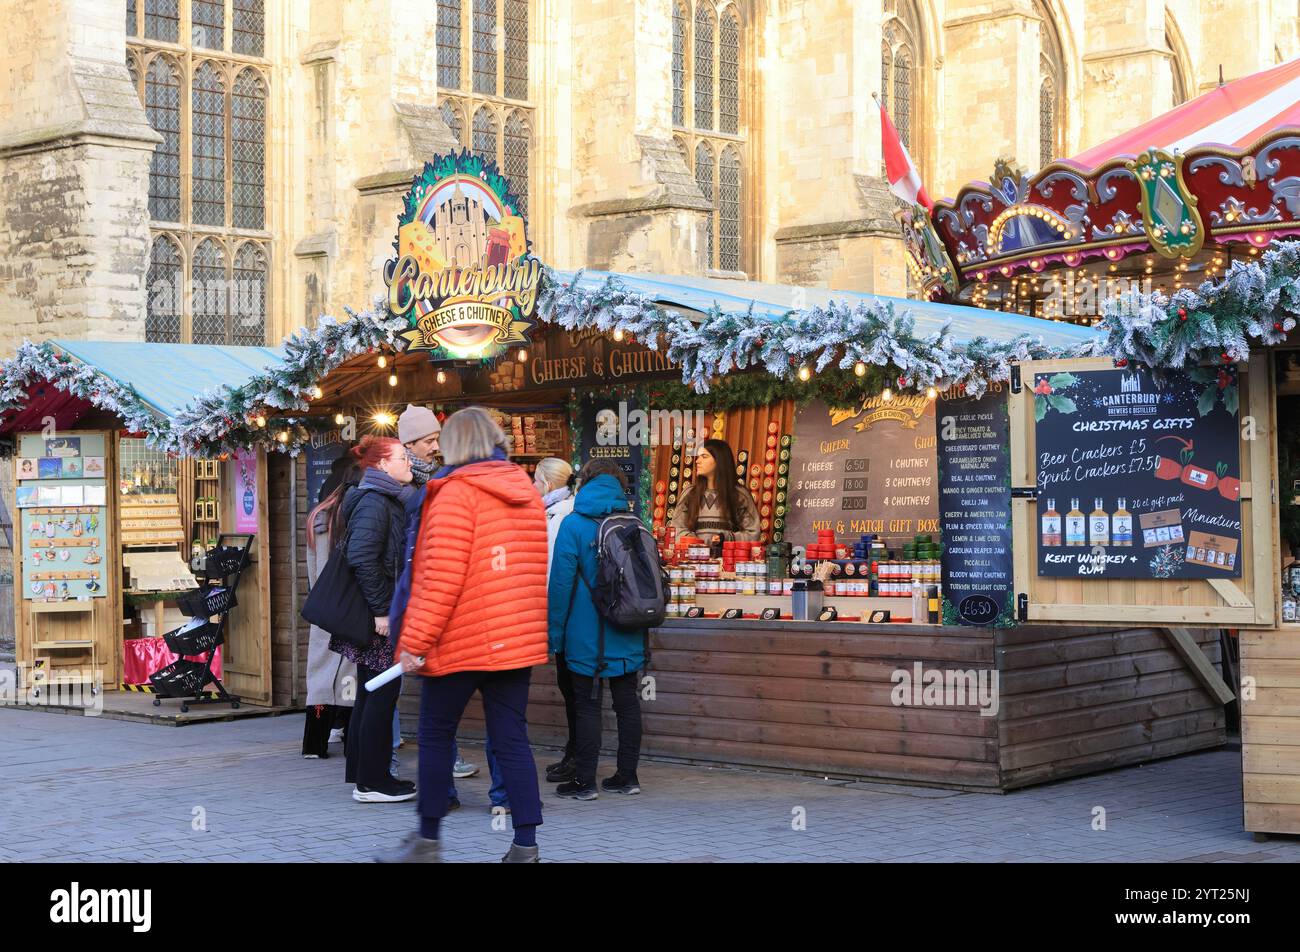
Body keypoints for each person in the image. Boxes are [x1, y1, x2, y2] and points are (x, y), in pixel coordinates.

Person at [379, 407, 549, 863]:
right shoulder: (526, 493)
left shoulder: (453, 494)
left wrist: (413, 642)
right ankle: (525, 845)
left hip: (460, 639)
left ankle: (427, 840)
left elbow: (440, 579)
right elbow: (532, 570)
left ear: (453, 445)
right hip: (515, 640)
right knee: (511, 739)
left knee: (435, 734)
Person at [547, 460, 647, 801]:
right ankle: (627, 776)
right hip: (629, 627)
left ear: (584, 483)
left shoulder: (573, 525)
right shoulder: (634, 522)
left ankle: (585, 782)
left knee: (587, 705)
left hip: (585, 633)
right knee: (628, 704)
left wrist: (555, 635)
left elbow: (560, 586)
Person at [398, 402, 479, 783]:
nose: (435, 446)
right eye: (429, 440)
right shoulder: (404, 487)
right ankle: (438, 784)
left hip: (435, 607)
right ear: (409, 444)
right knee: (434, 706)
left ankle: (445, 774)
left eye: (437, 439)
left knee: (439, 705)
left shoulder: (435, 481)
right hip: (420, 602)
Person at [333, 436, 417, 803]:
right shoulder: (375, 502)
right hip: (376, 615)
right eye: (402, 457)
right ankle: (374, 781)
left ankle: (365, 775)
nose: (409, 463)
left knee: (372, 691)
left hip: (375, 610)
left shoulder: (382, 498)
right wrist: (383, 611)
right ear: (382, 464)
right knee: (382, 693)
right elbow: (363, 557)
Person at [302, 461, 361, 758]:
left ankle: (313, 744)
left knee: (320, 677)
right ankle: (351, 740)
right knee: (350, 674)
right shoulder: (354, 516)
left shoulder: (317, 518)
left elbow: (313, 571)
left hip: (322, 605)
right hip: (351, 605)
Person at [532, 457, 580, 783]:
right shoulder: (571, 509)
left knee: (572, 687)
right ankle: (574, 754)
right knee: (576, 688)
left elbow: (551, 572)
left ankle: (576, 758)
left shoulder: (555, 516)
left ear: (548, 484)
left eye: (536, 480)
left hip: (564, 613)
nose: (533, 487)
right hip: (578, 614)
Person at [668, 438, 760, 542]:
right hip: (694, 557)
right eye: (698, 457)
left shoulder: (739, 495)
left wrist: (726, 538)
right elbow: (676, 529)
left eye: (704, 456)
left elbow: (753, 533)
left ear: (719, 461)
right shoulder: (690, 493)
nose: (697, 461)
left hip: (727, 557)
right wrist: (697, 544)